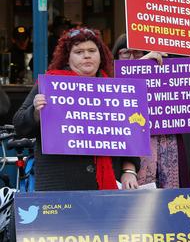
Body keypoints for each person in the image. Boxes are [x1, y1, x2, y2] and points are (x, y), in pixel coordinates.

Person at [13, 27, 139, 191]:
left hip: (105, 188)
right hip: (60, 186)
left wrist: (129, 171)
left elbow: (130, 137)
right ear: (67, 58)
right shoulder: (51, 84)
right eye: (79, 52)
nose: (87, 55)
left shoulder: (116, 88)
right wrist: (36, 112)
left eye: (92, 50)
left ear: (101, 55)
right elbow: (20, 126)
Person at [110, 15, 190, 189]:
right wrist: (142, 64)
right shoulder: (109, 79)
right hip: (133, 153)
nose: (132, 58)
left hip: (168, 143)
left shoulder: (160, 71)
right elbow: (121, 85)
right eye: (125, 53)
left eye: (137, 53)